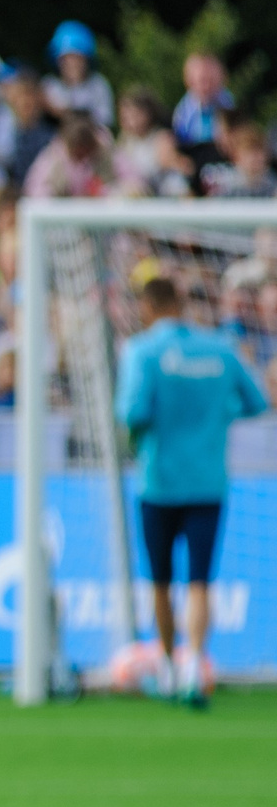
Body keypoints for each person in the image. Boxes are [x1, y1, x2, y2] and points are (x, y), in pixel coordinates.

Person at [118, 274, 269, 707]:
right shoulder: (219, 349)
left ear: (147, 308)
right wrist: (216, 414)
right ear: (180, 304)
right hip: (208, 480)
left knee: (160, 580)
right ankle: (193, 665)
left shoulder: (141, 351)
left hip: (159, 481)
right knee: (200, 580)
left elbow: (132, 411)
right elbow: (257, 401)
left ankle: (166, 666)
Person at [43, 21, 112, 124]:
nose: (72, 64)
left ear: (87, 60)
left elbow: (105, 120)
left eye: (77, 58)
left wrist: (65, 113)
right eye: (66, 59)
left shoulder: (99, 84)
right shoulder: (49, 85)